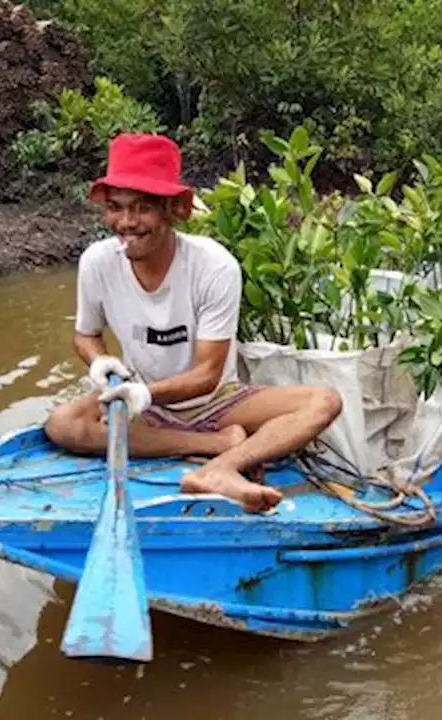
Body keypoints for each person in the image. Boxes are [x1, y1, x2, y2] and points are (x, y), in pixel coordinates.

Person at [43, 133, 343, 513]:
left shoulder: (213, 266)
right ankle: (212, 445)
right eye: (116, 208)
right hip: (143, 403)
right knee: (62, 423)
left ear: (172, 210)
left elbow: (207, 373)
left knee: (323, 402)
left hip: (216, 401)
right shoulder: (96, 262)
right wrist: (102, 363)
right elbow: (86, 335)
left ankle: (221, 469)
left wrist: (147, 394)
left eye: (142, 208)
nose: (126, 222)